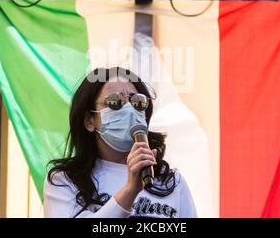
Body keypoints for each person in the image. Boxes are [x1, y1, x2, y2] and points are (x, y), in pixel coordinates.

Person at [43, 67, 197, 218]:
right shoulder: (64, 181)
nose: (129, 109)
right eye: (115, 101)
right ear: (89, 120)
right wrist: (130, 190)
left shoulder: (170, 181)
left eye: (137, 101)